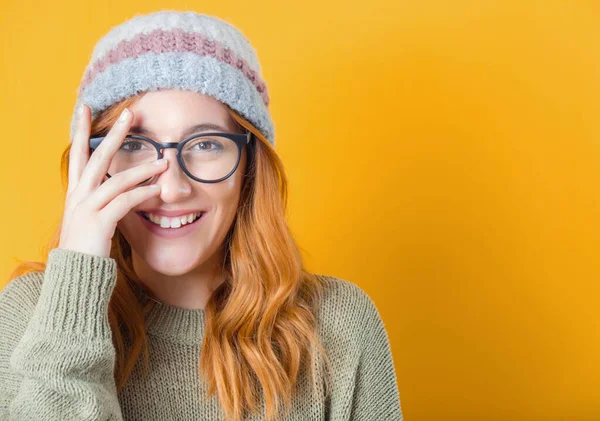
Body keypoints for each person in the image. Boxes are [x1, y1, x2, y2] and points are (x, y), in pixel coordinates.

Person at [0, 10, 403, 421]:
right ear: (93, 165)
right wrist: (76, 290)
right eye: (134, 145)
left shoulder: (339, 328)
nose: (172, 188)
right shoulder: (30, 315)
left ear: (249, 165)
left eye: (207, 145)